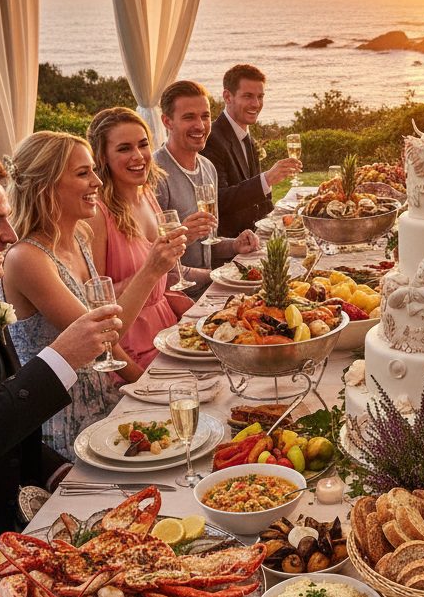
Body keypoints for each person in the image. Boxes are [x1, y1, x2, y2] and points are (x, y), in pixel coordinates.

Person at [0, 153, 121, 578]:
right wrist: (62, 356)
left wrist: (63, 473)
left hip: (13, 531)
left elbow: (4, 413)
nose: (10, 235)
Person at [0, 132, 186, 452]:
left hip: (106, 409)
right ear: (46, 185)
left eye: (94, 170)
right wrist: (152, 270)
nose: (97, 182)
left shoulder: (79, 236)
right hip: (66, 431)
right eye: (83, 173)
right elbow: (100, 336)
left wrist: (146, 385)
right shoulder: (25, 258)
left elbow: (108, 346)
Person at [86, 108, 190, 375]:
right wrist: (152, 270)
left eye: (143, 144)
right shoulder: (97, 213)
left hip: (168, 334)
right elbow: (94, 301)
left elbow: (157, 280)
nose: (138, 156)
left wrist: (181, 303)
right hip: (129, 349)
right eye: (124, 148)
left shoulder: (146, 195)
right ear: (103, 158)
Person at [153, 80, 260, 287]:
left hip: (207, 287)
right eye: (189, 117)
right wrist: (215, 275)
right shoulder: (157, 175)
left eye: (205, 116)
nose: (200, 126)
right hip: (178, 296)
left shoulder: (208, 168)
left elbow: (209, 243)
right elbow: (152, 262)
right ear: (167, 122)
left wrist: (235, 245)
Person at [203, 64, 302, 237]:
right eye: (248, 96)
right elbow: (220, 200)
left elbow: (261, 201)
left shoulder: (245, 134)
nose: (256, 104)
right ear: (227, 96)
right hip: (232, 244)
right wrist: (267, 179)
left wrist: (277, 226)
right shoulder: (212, 139)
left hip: (259, 234)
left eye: (260, 96)